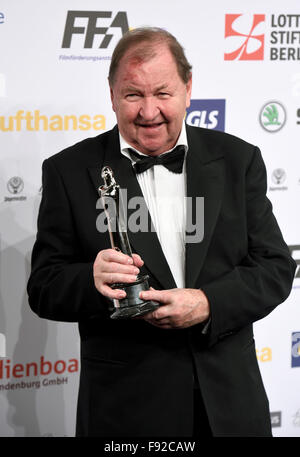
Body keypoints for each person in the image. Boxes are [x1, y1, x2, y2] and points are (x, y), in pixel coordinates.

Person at [27, 27, 296, 437]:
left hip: (229, 408)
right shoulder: (68, 171)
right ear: (112, 94)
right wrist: (90, 279)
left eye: (163, 93)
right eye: (133, 95)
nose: (148, 111)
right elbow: (44, 286)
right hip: (126, 411)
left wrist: (208, 302)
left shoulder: (238, 160)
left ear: (188, 89)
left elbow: (275, 268)